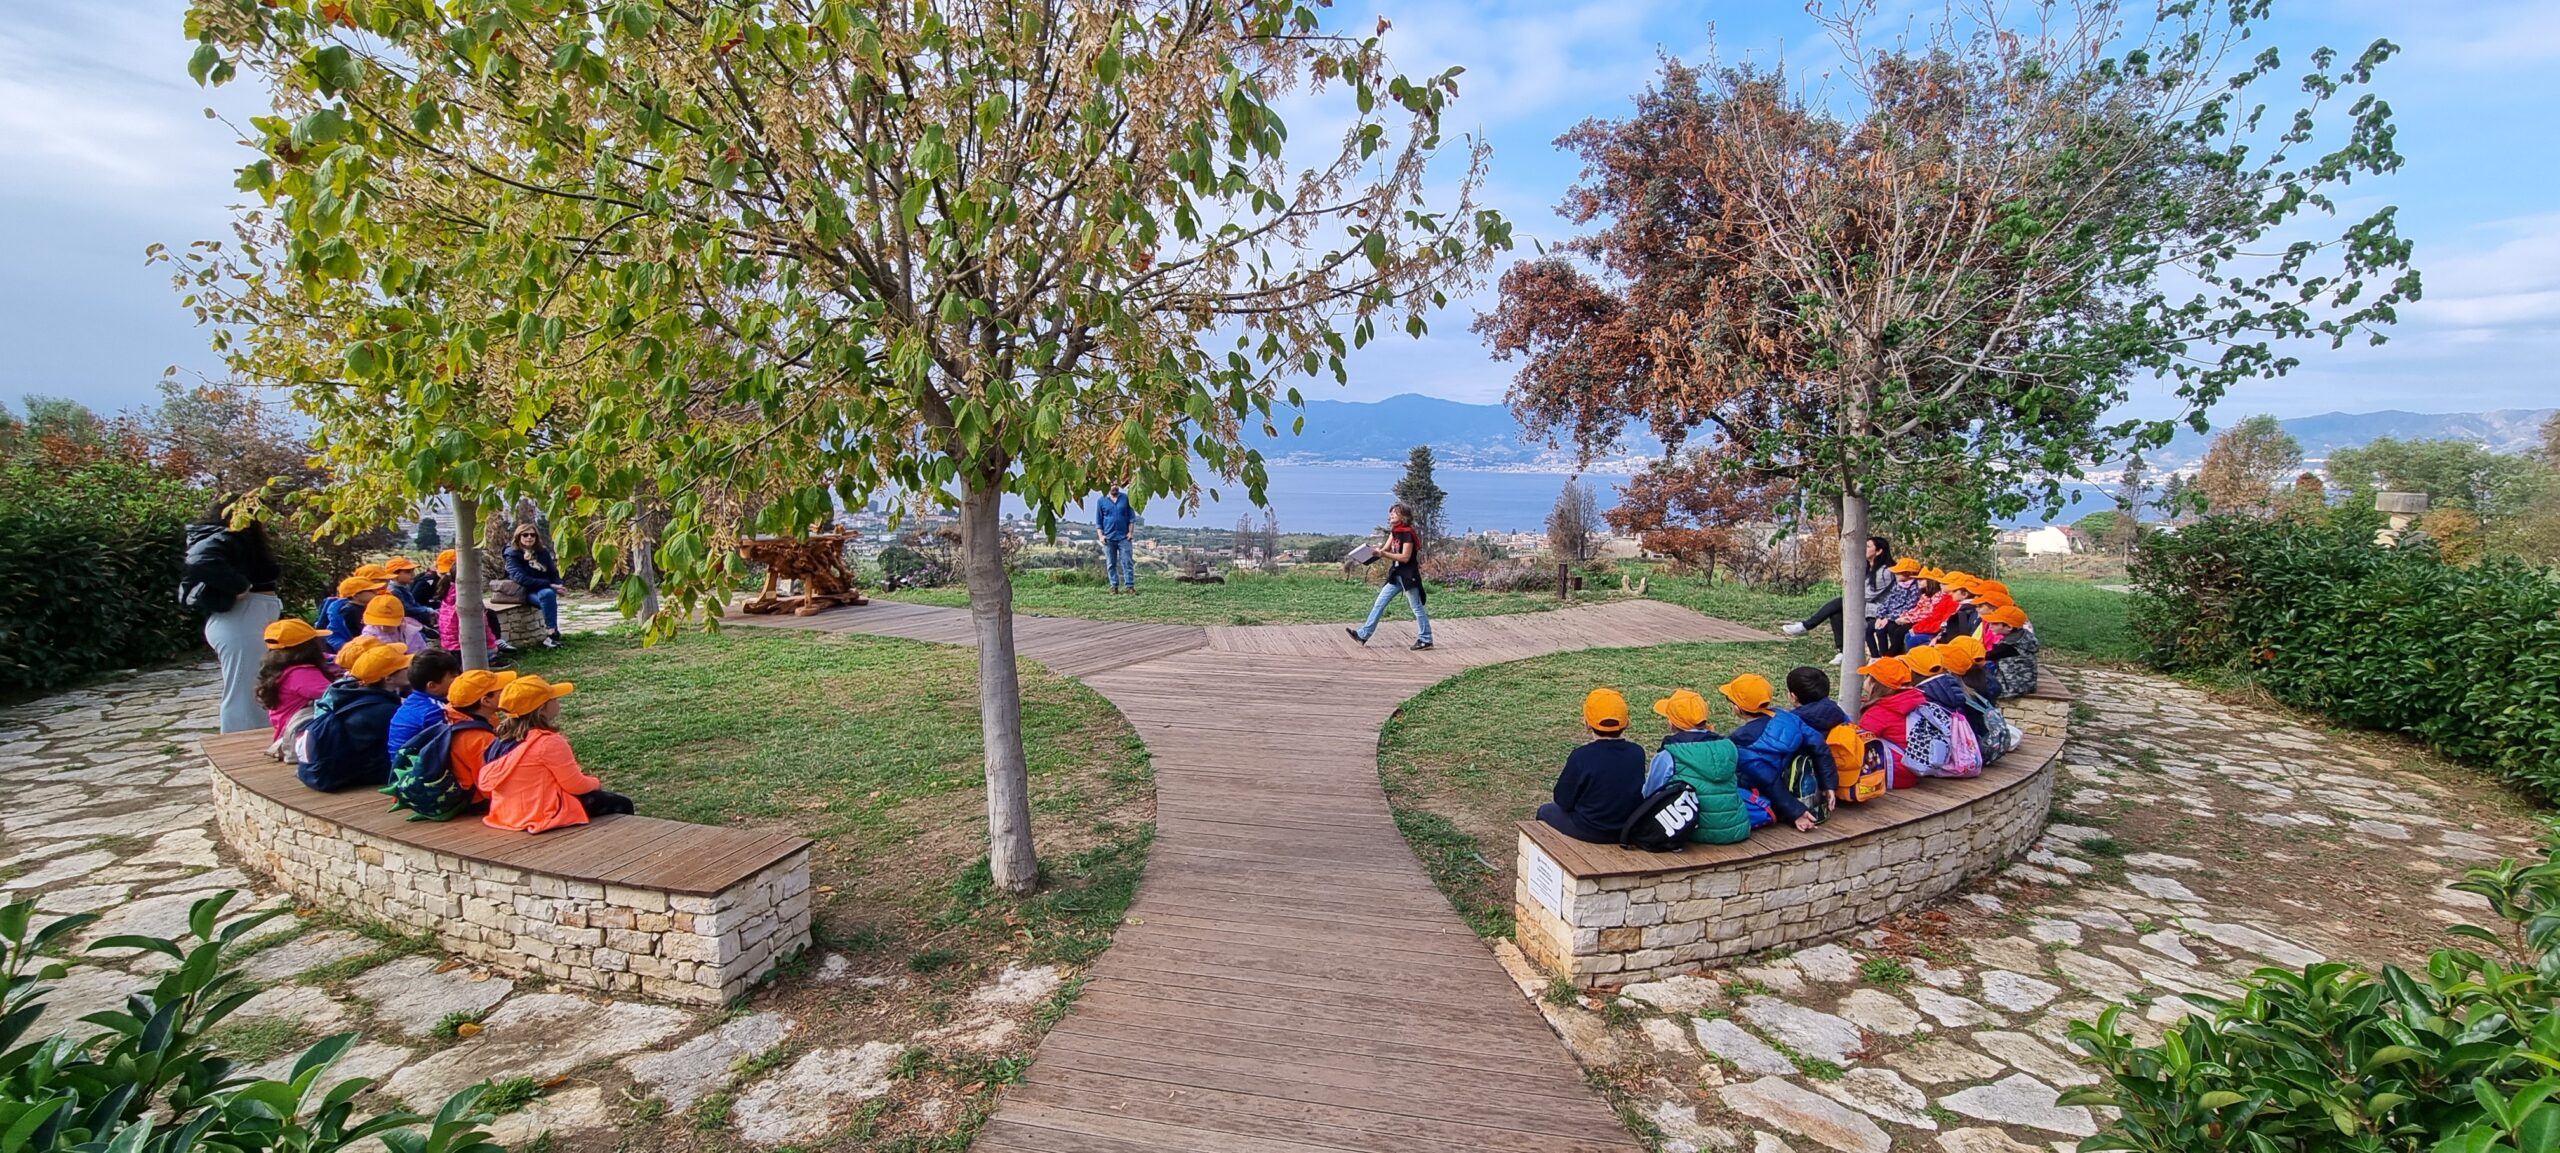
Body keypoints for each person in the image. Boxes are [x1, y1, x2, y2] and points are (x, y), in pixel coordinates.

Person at [480, 676, 637, 832]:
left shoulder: (499, 741)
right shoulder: (548, 742)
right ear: (542, 708)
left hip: (507, 815)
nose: (558, 702)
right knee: (622, 803)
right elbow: (576, 786)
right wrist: (595, 782)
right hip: (541, 814)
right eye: (554, 698)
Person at [184, 496, 284, 733]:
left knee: (255, 684)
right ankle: (239, 741)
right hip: (241, 619)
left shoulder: (232, 539)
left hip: (249, 616)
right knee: (244, 690)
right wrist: (239, 586)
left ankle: (257, 737)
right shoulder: (229, 535)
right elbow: (199, 561)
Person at [1722, 674, 1833, 832]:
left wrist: (1797, 813)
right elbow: (1819, 744)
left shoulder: (1741, 740)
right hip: (1789, 783)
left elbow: (1768, 780)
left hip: (1766, 792)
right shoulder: (1786, 716)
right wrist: (1829, 785)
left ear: (1737, 708)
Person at [1640, 689, 1752, 845]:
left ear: (1671, 723)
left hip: (1690, 829)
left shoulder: (1669, 754)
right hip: (1735, 828)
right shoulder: (1728, 747)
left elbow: (1650, 794)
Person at [1535, 689, 1646, 843]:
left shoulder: (1581, 756)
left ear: (1587, 723)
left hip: (1589, 829)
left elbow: (1563, 800)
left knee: (1545, 811)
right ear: (1627, 723)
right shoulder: (1637, 753)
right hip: (1626, 828)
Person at [299, 645, 411, 792]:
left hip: (337, 766)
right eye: (403, 667)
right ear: (388, 678)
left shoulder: (353, 694)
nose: (409, 669)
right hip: (362, 773)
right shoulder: (382, 711)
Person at [1782, 536, 1896, 663]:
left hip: (1879, 610)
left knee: (1840, 602)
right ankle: (1842, 651)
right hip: (1864, 606)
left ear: (1879, 551)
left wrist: (1851, 594)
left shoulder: (1885, 572)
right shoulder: (1866, 567)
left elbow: (1867, 595)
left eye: (1868, 547)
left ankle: (1806, 626)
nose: (1863, 549)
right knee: (1836, 613)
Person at [1346, 503, 1433, 651]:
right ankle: (1363, 634)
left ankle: (1426, 639)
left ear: (1404, 516)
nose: (1391, 515)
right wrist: (1371, 551)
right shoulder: (1395, 532)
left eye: (1395, 512)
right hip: (1396, 575)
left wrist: (1383, 554)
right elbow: (1384, 549)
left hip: (1408, 576)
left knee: (1416, 608)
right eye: (1391, 512)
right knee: (1379, 604)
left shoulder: (1407, 534)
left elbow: (1405, 557)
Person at [440, 668, 518, 806]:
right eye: (502, 690)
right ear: (486, 701)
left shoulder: (455, 717)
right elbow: (489, 787)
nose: (507, 690)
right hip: (478, 799)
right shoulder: (478, 739)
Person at [255, 619, 334, 740]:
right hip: (301, 737)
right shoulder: (302, 674)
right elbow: (335, 694)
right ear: (309, 647)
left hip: (285, 733)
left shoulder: (279, 668)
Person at [387, 648, 463, 756]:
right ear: (432, 686)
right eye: (453, 676)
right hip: (416, 765)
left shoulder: (414, 701)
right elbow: (453, 745)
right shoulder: (433, 711)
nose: (459, 679)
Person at [503, 524, 565, 648]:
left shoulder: (542, 551)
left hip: (543, 588)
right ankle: (553, 633)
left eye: (533, 535)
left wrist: (559, 585)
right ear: (518, 536)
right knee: (548, 595)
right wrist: (550, 585)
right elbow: (520, 578)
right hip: (524, 590)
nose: (529, 537)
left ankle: (551, 634)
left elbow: (553, 572)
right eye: (525, 535)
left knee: (548, 594)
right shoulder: (512, 553)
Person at [1855, 656, 1928, 748]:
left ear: (1875, 683)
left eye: (1868, 676)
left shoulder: (1877, 713)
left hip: (1892, 757)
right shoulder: (1916, 700)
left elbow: (1859, 745)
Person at [1984, 604, 2042, 698]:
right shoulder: (2022, 637)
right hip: (2025, 684)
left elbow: (1985, 656)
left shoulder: (2010, 646)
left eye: (1994, 623)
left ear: (2009, 627)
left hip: (2012, 687)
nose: (1990, 626)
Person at [1871, 558, 1923, 656]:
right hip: (1889, 616)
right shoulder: (1897, 584)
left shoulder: (1915, 588)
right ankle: (1882, 656)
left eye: (1899, 572)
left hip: (1900, 617)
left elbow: (1909, 606)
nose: (1895, 574)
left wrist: (1888, 618)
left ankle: (1894, 656)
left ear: (1908, 573)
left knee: (1892, 628)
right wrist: (1880, 617)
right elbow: (1887, 601)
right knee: (1877, 629)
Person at [1095, 483, 1137, 595]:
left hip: (1124, 537)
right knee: (1111, 564)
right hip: (1108, 538)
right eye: (1112, 484)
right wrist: (1101, 536)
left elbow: (1132, 518)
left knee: (1127, 562)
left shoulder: (1126, 498)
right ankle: (1114, 586)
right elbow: (1098, 521)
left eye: (1116, 484)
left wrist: (1130, 532)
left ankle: (1129, 586)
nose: (1114, 486)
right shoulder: (1101, 501)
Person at [361, 592, 431, 654]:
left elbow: (422, 654)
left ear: (401, 621)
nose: (382, 627)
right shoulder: (368, 635)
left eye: (388, 624)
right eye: (378, 623)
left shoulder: (411, 632)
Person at [329, 575, 387, 647]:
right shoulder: (349, 610)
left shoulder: (367, 606)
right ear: (355, 595)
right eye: (370, 591)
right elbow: (351, 633)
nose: (376, 592)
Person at [383, 557, 437, 625]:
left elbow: (413, 603)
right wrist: (427, 610)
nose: (413, 574)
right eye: (407, 572)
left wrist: (426, 609)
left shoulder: (404, 585)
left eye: (412, 571)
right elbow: (406, 610)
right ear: (394, 575)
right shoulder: (393, 591)